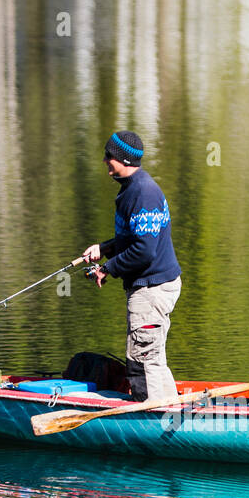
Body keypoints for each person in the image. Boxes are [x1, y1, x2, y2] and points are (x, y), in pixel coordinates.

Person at [81, 131, 182, 401]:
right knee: (153, 357)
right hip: (154, 285)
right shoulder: (134, 188)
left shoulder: (142, 193)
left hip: (152, 289)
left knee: (141, 358)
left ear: (123, 159)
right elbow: (136, 238)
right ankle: (170, 410)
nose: (105, 161)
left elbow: (144, 250)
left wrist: (107, 268)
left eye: (109, 156)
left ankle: (153, 416)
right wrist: (104, 249)